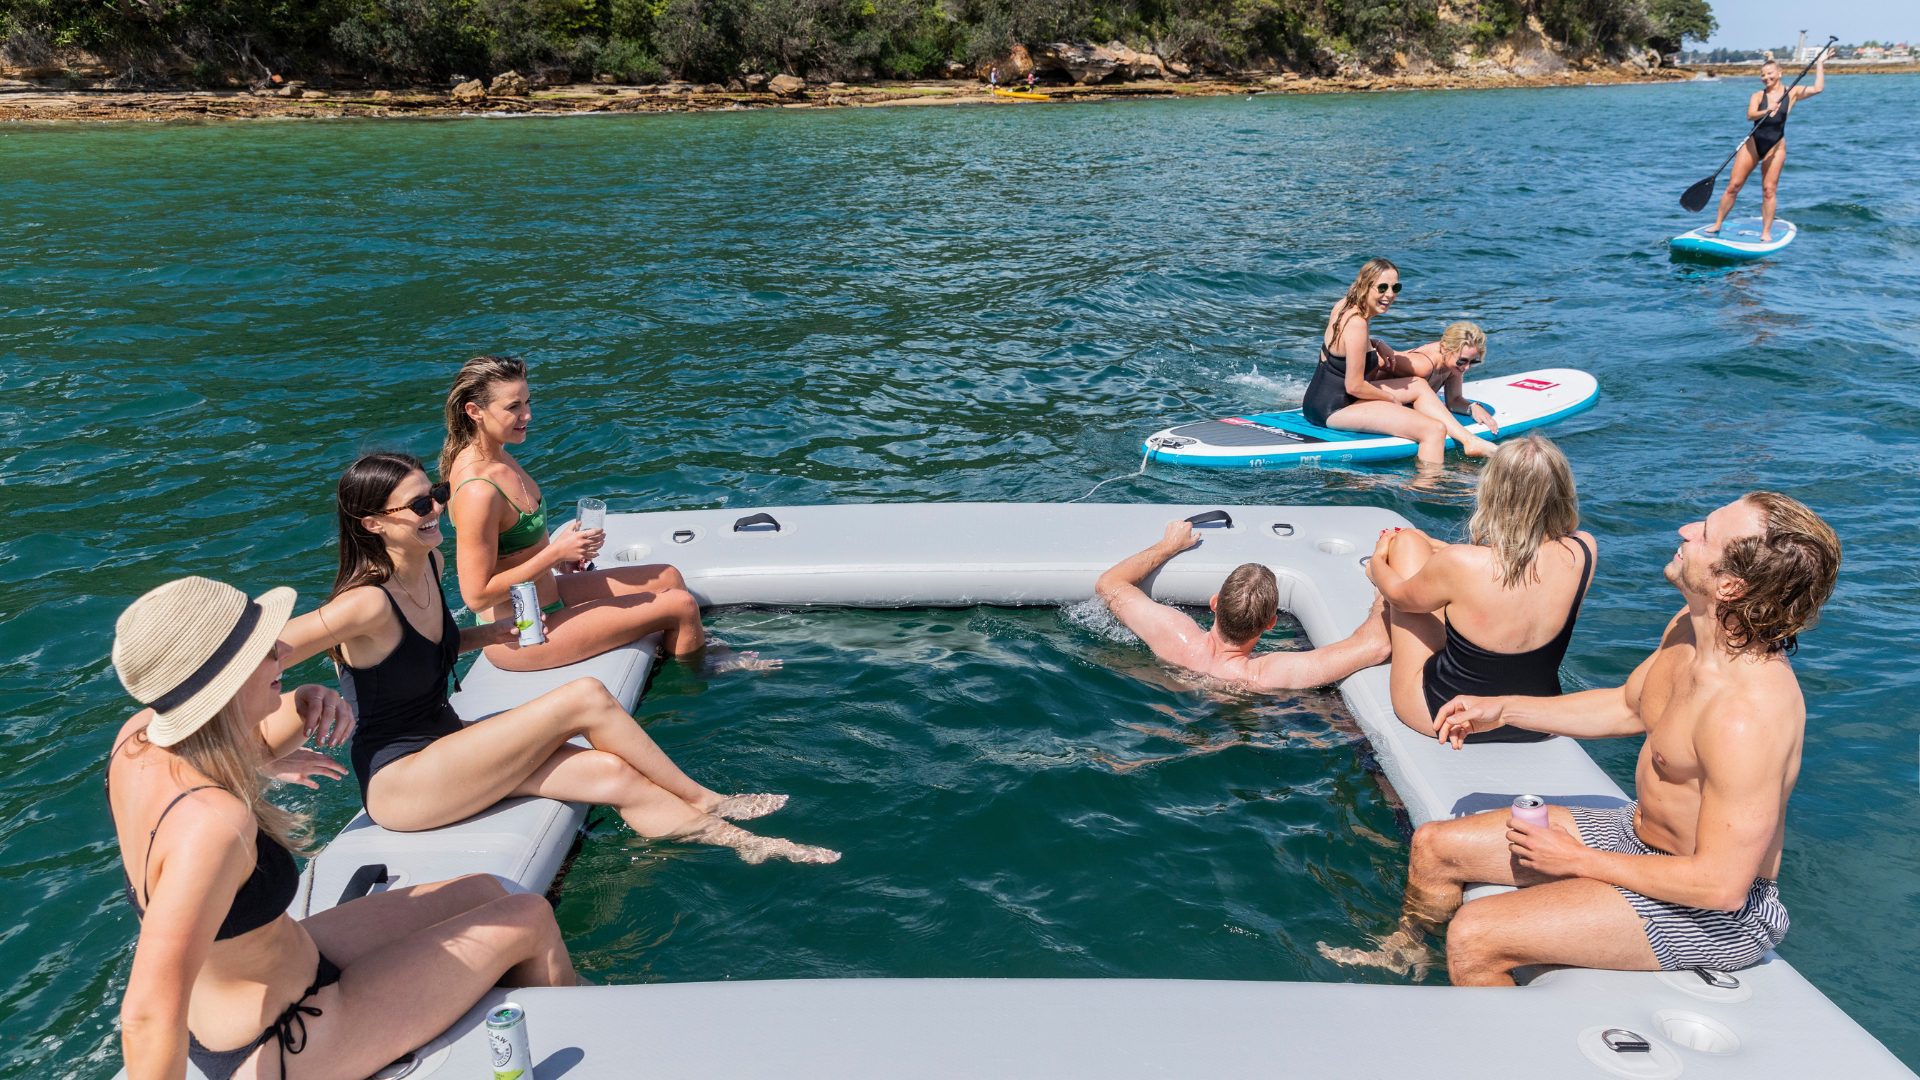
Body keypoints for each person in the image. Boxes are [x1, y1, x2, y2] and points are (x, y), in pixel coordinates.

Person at [107, 576, 580, 1080]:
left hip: (287, 965)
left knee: (487, 890)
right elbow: (145, 1015)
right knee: (528, 918)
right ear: (224, 681)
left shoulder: (136, 740)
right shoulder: (214, 826)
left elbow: (217, 750)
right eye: (264, 651)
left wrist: (292, 715)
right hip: (286, 1037)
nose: (282, 652)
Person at [1365, 493, 1839, 985]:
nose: (1685, 530)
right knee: (1436, 846)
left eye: (1705, 535)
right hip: (1636, 836)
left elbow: (1721, 886)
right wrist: (1505, 708)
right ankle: (1406, 955)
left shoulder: (1747, 715)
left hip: (1711, 914)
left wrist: (1578, 860)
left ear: (1730, 585)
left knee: (1477, 933)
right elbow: (1630, 706)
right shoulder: (1689, 629)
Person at [281, 451, 838, 865]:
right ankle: (709, 800)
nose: (437, 512)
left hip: (446, 745)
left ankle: (743, 844)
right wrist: (278, 730)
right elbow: (255, 654)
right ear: (374, 524)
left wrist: (488, 634)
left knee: (611, 773)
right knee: (584, 699)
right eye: (421, 504)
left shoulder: (427, 565)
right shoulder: (364, 604)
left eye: (439, 495)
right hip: (402, 783)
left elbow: (425, 650)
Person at [441, 355, 739, 674]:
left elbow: (511, 547)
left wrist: (561, 556)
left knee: (668, 576)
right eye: (513, 407)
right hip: (522, 630)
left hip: (548, 593)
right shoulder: (478, 490)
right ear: (474, 412)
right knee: (681, 606)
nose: (526, 415)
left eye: (528, 402)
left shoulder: (497, 454)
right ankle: (695, 684)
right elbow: (476, 596)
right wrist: (555, 554)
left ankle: (686, 649)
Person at [1366, 434, 1594, 742]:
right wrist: (1443, 552)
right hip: (1537, 719)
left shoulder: (1460, 563)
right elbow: (1518, 580)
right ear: (1563, 491)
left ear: (1494, 491)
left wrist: (1379, 562)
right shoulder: (1583, 550)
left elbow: (1399, 598)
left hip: (1446, 716)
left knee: (1407, 541)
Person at [1095, 520, 1390, 690]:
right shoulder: (1266, 674)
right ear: (1271, 623)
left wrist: (1169, 545)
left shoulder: (1175, 636)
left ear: (1214, 603)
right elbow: (1376, 646)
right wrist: (1382, 577)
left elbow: (1110, 585)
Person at [1299, 259, 1496, 464]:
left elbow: (1345, 345)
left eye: (1396, 287)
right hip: (1334, 408)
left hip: (1318, 399)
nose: (1390, 294)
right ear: (1365, 285)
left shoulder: (1345, 307)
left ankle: (1468, 440)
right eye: (1382, 287)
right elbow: (1354, 385)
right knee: (1433, 430)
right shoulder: (1357, 324)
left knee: (1418, 385)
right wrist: (1391, 400)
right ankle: (1427, 491)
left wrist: (1377, 343)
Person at [1705, 54, 1825, 243]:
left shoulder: (1791, 92)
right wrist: (1766, 111)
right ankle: (1718, 223)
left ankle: (1766, 232)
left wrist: (1819, 63)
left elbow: (1818, 88)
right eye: (1762, 75)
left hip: (1776, 146)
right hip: (1753, 143)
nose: (1766, 77)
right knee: (1733, 187)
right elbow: (1750, 115)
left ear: (1779, 73)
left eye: (1769, 73)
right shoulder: (1758, 95)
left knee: (1769, 190)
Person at [1375, 321, 1500, 438]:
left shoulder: (1452, 365)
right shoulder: (1423, 365)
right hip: (1367, 398)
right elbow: (1376, 358)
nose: (1466, 367)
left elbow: (1453, 400)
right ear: (1445, 349)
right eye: (1462, 361)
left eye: (1473, 362)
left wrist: (1473, 407)